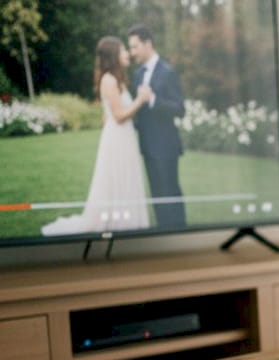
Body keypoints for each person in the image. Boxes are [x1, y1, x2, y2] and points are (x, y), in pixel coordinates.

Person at [41, 37, 153, 237]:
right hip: (119, 136)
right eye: (123, 51)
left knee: (122, 176)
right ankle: (117, 223)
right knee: (116, 179)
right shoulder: (109, 80)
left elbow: (107, 115)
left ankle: (126, 222)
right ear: (114, 56)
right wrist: (141, 100)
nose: (127, 53)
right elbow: (119, 116)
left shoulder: (117, 80)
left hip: (121, 137)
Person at [126, 24, 186, 228]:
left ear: (147, 44)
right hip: (147, 147)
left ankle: (179, 234)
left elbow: (180, 109)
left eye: (135, 47)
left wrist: (152, 99)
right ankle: (164, 233)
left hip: (166, 147)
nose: (132, 53)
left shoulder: (168, 72)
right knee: (157, 197)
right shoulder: (137, 74)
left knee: (170, 193)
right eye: (130, 48)